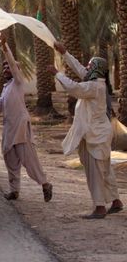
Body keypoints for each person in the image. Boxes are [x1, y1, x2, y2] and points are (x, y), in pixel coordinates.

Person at [48, 42, 123, 219]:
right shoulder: (95, 82)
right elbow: (80, 69)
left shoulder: (93, 87)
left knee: (94, 171)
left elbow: (74, 88)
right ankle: (115, 201)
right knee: (105, 169)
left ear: (96, 69)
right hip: (99, 133)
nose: (87, 68)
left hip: (95, 135)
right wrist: (64, 53)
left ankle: (99, 207)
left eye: (90, 66)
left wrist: (57, 73)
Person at [0, 32, 53, 202]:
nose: (7, 69)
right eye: (4, 67)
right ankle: (14, 191)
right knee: (10, 161)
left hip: (21, 129)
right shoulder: (6, 88)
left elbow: (14, 68)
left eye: (9, 66)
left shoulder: (18, 82)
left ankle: (45, 184)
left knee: (29, 161)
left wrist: (4, 47)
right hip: (9, 129)